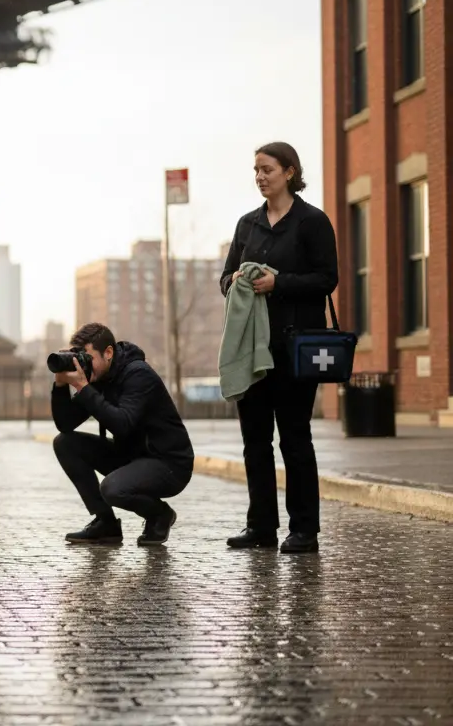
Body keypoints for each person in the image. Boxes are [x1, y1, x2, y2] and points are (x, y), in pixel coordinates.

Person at [218, 142, 338, 554]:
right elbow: (225, 279)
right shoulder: (247, 225)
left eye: (267, 169)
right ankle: (261, 528)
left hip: (294, 349)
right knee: (255, 441)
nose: (260, 177)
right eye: (255, 170)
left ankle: (304, 530)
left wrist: (279, 282)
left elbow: (327, 279)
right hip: (251, 351)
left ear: (289, 172)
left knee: (294, 439)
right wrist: (235, 282)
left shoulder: (312, 222)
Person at [51, 323, 195, 546]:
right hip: (132, 456)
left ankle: (159, 514)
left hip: (169, 463)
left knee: (113, 488)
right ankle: (105, 523)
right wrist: (60, 386)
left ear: (108, 353)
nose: (85, 365)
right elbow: (65, 424)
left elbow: (122, 424)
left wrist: (84, 388)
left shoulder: (138, 374)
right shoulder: (98, 378)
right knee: (65, 443)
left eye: (88, 358)